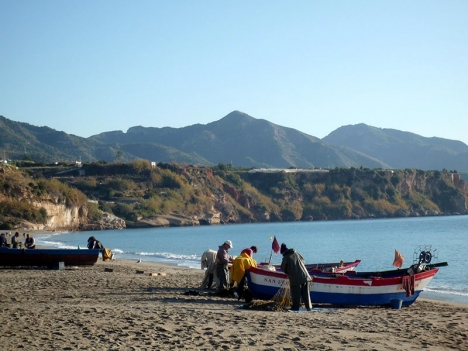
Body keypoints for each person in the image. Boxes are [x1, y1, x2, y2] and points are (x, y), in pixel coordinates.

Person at [280, 243, 312, 311]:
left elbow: (283, 267)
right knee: (306, 296)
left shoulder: (286, 257)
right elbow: (303, 261)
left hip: (295, 279)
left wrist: (288, 272)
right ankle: (309, 308)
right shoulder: (297, 254)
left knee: (295, 295)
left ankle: (295, 308)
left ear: (283, 252)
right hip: (306, 277)